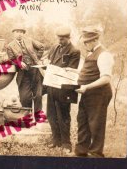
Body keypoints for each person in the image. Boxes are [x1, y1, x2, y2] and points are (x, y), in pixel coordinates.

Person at [74, 27, 114, 158]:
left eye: (88, 42)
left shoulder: (104, 55)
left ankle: (96, 154)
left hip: (99, 94)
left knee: (96, 124)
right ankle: (81, 152)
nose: (85, 45)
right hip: (87, 93)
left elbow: (106, 78)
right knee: (82, 121)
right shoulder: (91, 54)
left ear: (96, 39)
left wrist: (87, 87)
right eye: (84, 42)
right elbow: (88, 72)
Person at [46, 26, 81, 154]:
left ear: (68, 38)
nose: (60, 41)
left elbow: (70, 71)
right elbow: (50, 61)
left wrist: (54, 71)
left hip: (65, 88)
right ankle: (56, 140)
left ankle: (66, 143)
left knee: (64, 116)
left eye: (62, 39)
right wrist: (45, 64)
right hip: (51, 85)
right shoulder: (55, 47)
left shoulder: (74, 51)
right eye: (59, 39)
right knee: (51, 114)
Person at [6, 28, 44, 115]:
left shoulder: (29, 41)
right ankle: (27, 117)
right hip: (23, 73)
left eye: (21, 32)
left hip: (35, 70)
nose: (19, 34)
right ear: (13, 33)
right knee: (25, 97)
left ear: (23, 34)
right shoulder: (10, 46)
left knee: (38, 95)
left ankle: (38, 117)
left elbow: (41, 47)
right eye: (17, 32)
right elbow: (11, 60)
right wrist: (19, 62)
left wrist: (37, 58)